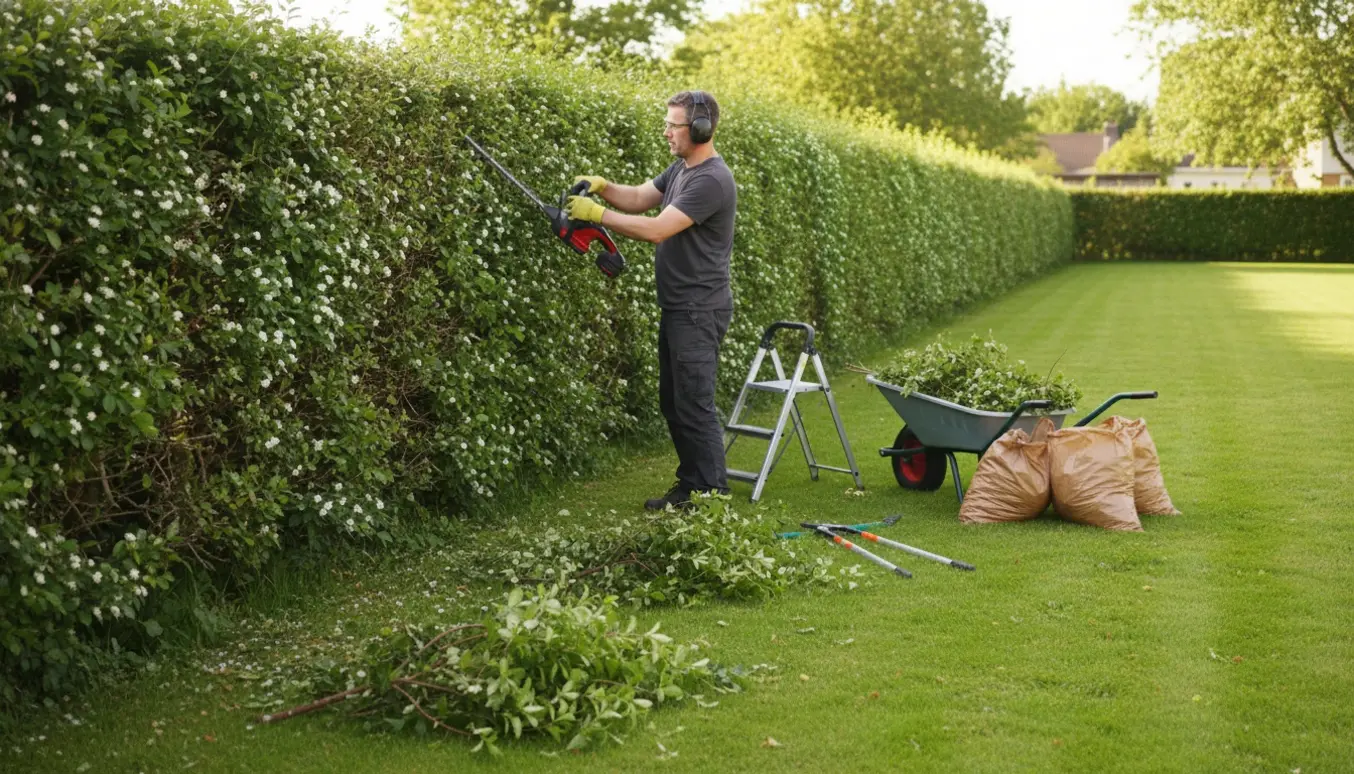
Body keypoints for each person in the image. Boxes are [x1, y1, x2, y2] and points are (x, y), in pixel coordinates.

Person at [566, 90, 737, 510]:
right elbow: (642, 197)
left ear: (701, 128)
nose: (667, 132)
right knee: (674, 403)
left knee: (694, 404)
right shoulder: (682, 169)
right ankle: (690, 487)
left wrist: (596, 215)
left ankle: (712, 497)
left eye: (674, 125)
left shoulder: (711, 180)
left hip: (699, 309)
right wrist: (603, 187)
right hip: (680, 307)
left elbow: (657, 228)